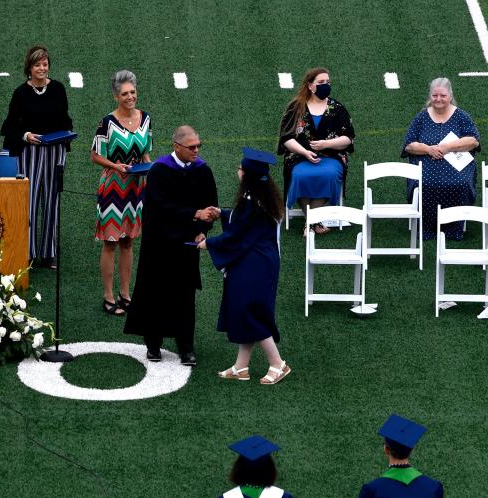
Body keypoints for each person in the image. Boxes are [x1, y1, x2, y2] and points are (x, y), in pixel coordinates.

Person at [123, 125, 218, 366]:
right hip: (160, 244)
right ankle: (153, 345)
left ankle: (186, 346)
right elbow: (158, 208)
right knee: (154, 294)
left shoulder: (202, 171)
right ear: (177, 147)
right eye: (192, 147)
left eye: (198, 146)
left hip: (187, 244)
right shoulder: (159, 171)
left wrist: (202, 229)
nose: (196, 151)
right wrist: (194, 214)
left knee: (185, 297)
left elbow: (210, 204)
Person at [197, 147, 289, 384]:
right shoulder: (259, 196)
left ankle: (278, 364)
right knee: (244, 308)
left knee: (250, 310)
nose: (238, 171)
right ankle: (241, 367)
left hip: (255, 263)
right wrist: (224, 214)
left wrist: (210, 244)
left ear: (247, 174)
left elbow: (237, 235)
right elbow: (243, 221)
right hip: (258, 259)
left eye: (241, 168)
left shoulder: (251, 200)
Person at [0, 45, 73, 269]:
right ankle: (28, 252)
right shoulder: (21, 93)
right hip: (30, 153)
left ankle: (48, 253)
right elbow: (10, 125)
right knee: (28, 202)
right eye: (38, 64)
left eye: (45, 64)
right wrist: (25, 135)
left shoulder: (58, 88)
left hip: (54, 151)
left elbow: (64, 118)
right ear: (29, 68)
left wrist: (67, 134)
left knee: (52, 201)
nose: (42, 68)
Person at [91, 70, 151, 316]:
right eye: (125, 93)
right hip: (114, 187)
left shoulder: (145, 118)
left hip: (136, 187)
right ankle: (108, 295)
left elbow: (145, 152)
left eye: (133, 92)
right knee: (110, 243)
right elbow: (95, 155)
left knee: (128, 242)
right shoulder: (107, 122)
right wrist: (117, 167)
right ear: (116, 96)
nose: (130, 97)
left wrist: (152, 167)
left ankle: (126, 294)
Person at [277, 67, 355, 234]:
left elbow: (348, 138)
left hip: (331, 156)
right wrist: (305, 152)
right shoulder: (295, 107)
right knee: (298, 175)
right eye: (321, 82)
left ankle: (310, 222)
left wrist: (326, 145)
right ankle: (314, 222)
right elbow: (286, 138)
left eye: (328, 82)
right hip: (299, 156)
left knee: (330, 175)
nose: (325, 85)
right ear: (310, 86)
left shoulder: (337, 108)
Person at [401, 78, 481, 240]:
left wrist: (448, 147)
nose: (438, 99)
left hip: (456, 167)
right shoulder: (422, 117)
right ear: (430, 96)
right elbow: (408, 145)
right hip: (426, 164)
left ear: (450, 96)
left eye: (442, 95)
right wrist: (428, 149)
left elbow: (473, 141)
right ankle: (425, 227)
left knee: (460, 183)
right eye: (435, 95)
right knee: (423, 184)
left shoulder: (461, 116)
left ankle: (454, 227)